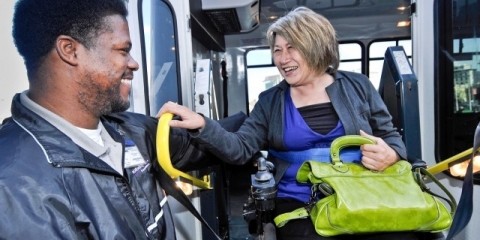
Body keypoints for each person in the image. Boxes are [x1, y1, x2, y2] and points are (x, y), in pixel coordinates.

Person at [159, 6, 441, 240]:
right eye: (277, 50)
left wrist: (391, 154)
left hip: (362, 194)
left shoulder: (359, 87)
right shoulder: (270, 101)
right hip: (299, 201)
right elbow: (240, 148)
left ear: (316, 46)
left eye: (291, 48)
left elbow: (392, 137)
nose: (282, 59)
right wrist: (202, 125)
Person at [0, 0, 246, 239]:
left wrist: (256, 118)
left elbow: (214, 146)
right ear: (69, 50)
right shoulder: (14, 188)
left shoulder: (131, 130)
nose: (134, 63)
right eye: (123, 50)